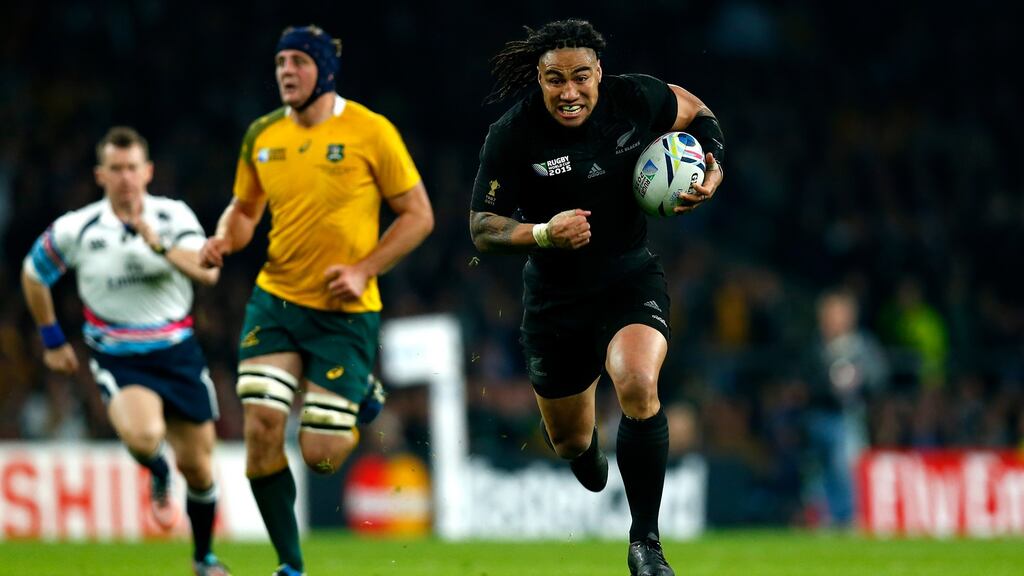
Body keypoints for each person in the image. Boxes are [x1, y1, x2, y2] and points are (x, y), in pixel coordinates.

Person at [469, 19, 724, 576]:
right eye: (554, 79)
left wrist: (715, 165)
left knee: (637, 381)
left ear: (599, 73)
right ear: (538, 78)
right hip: (555, 303)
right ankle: (583, 448)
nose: (568, 92)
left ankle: (645, 544)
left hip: (629, 278)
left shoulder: (633, 98)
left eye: (580, 77)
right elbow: (482, 228)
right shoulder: (513, 134)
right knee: (568, 442)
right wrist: (541, 232)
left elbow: (698, 112)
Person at [200, 24, 433, 576]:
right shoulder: (262, 133)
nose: (285, 71)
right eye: (280, 62)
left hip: (345, 314)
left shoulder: (370, 130)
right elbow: (244, 210)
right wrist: (223, 238)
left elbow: (419, 215)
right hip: (276, 301)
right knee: (259, 427)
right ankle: (290, 564)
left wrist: (363, 269)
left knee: (321, 455)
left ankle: (359, 394)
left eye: (298, 62)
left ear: (324, 70)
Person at [21, 126, 230, 576]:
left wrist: (158, 245)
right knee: (143, 435)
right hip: (120, 355)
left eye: (132, 167)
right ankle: (156, 470)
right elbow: (33, 274)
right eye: (115, 169)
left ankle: (203, 557)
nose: (125, 178)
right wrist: (52, 339)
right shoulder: (78, 228)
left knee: (198, 468)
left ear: (148, 171)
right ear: (100, 175)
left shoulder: (173, 217)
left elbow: (209, 274)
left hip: (179, 354)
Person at [800, 289, 889, 527]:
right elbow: (804, 380)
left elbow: (878, 377)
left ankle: (847, 516)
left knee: (843, 465)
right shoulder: (815, 345)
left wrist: (861, 382)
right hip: (817, 415)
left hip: (847, 416)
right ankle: (819, 517)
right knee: (816, 469)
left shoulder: (861, 346)